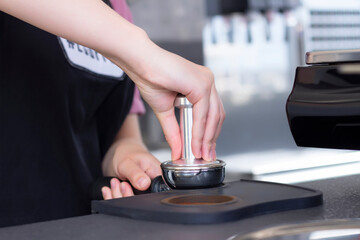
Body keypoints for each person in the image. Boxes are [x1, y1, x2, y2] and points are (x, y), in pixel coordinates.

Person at [0, 0, 225, 227]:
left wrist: (127, 157)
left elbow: (119, 137)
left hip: (76, 225)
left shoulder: (118, 10)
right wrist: (147, 56)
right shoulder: (129, 39)